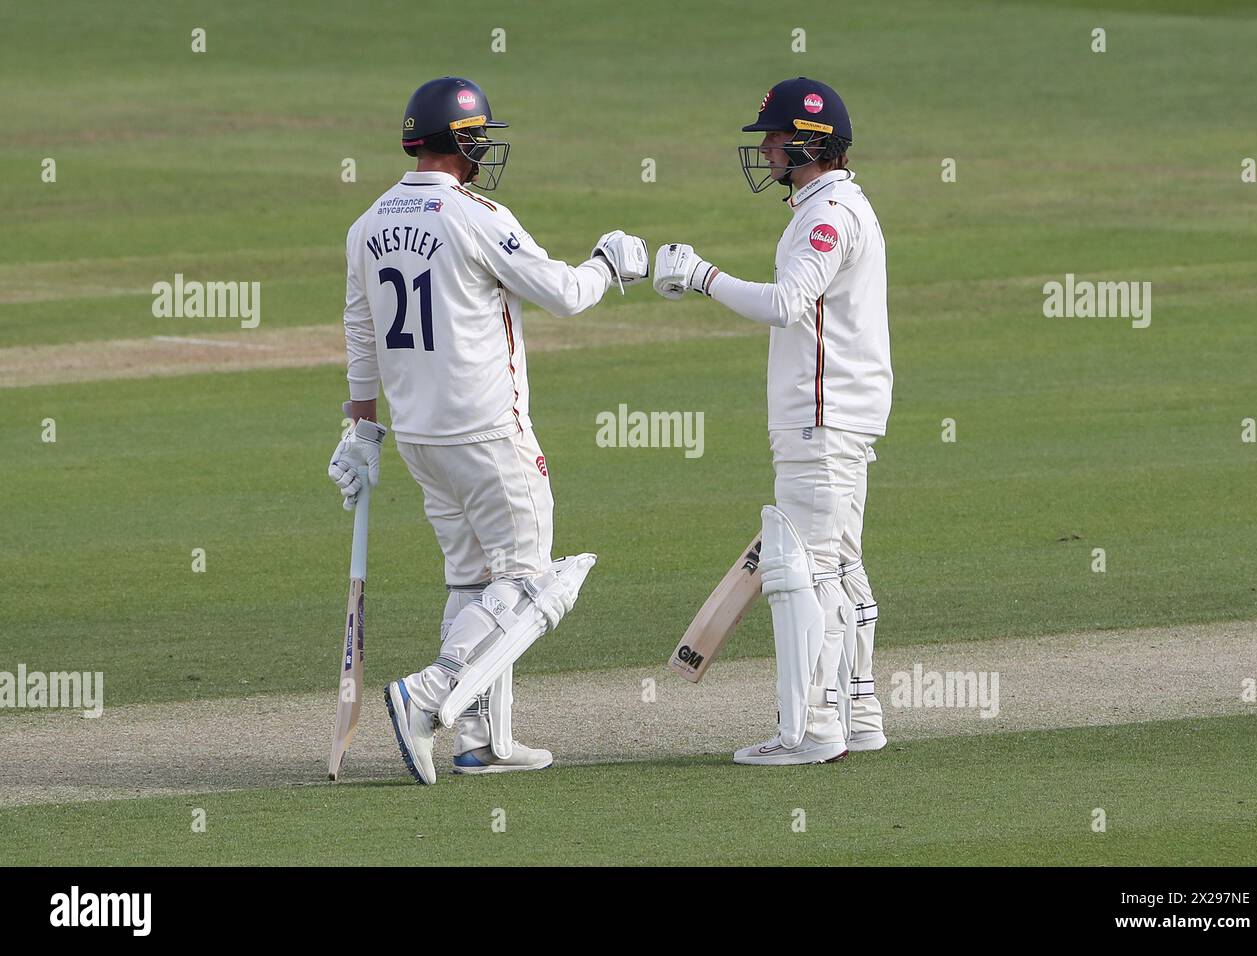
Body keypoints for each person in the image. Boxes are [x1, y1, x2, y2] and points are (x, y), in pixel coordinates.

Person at [328, 76, 648, 783]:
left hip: (418, 437)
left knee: (474, 580)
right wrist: (610, 265)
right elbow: (563, 293)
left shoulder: (366, 224)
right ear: (462, 142)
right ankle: (428, 696)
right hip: (485, 432)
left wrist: (361, 431)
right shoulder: (475, 214)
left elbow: (360, 334)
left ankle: (479, 740)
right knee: (532, 581)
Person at [652, 77, 892, 765]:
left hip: (821, 416)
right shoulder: (834, 205)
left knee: (809, 572)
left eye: (774, 138)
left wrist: (701, 277)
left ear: (809, 143)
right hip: (836, 413)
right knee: (839, 565)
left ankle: (813, 730)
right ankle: (859, 711)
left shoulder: (828, 216)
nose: (763, 151)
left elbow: (788, 303)